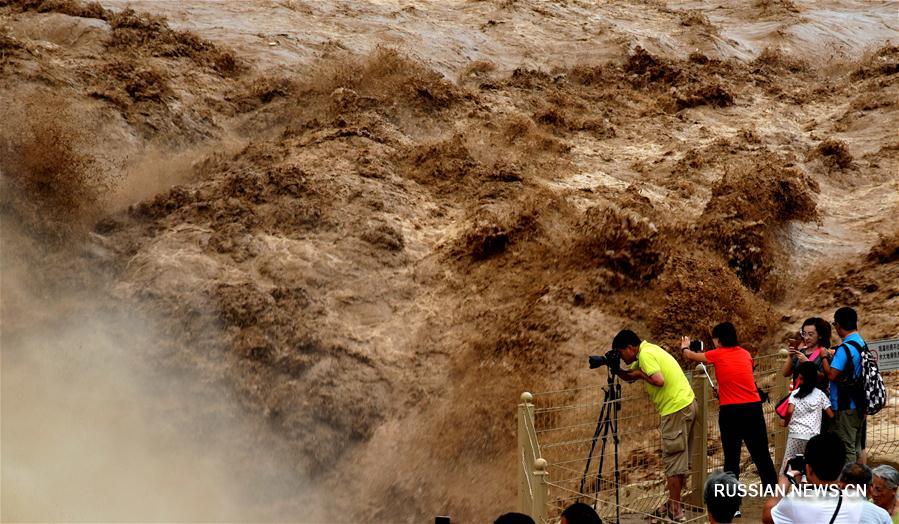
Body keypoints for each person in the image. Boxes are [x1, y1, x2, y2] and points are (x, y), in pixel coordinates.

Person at [612, 329, 696, 522]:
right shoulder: (650, 349)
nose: (621, 356)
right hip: (688, 404)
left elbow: (658, 380)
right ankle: (673, 504)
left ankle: (675, 510)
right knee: (681, 460)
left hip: (674, 409)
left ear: (630, 348)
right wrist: (617, 369)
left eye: (620, 352)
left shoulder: (646, 356)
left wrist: (641, 375)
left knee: (673, 462)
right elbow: (632, 375)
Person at [682, 322, 778, 488]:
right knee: (761, 454)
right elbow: (738, 377)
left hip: (731, 411)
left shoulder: (717, 354)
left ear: (718, 340)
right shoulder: (746, 354)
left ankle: (731, 499)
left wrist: (685, 347)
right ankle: (773, 492)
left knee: (731, 457)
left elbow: (691, 357)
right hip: (753, 408)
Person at [762, 432, 891, 523]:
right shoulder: (878, 514)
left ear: (809, 470)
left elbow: (767, 516)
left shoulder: (794, 503)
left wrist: (784, 480)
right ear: (842, 469)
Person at [821, 307, 866, 463]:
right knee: (857, 446)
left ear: (838, 325)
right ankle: (861, 483)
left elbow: (832, 374)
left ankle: (850, 485)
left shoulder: (844, 348)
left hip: (845, 405)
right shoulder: (861, 343)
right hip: (860, 403)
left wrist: (824, 357)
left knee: (847, 449)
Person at [781, 361, 834, 473]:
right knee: (810, 467)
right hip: (813, 437)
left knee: (788, 464)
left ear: (800, 377)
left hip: (795, 435)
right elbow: (831, 414)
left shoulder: (795, 394)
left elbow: (789, 412)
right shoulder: (820, 394)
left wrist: (785, 423)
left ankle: (785, 486)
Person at [780, 317, 830, 393]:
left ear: (820, 335)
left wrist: (807, 363)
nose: (806, 338)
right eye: (804, 334)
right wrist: (790, 357)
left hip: (816, 398)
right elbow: (785, 373)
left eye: (810, 334)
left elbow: (822, 379)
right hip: (798, 397)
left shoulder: (824, 353)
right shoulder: (801, 352)